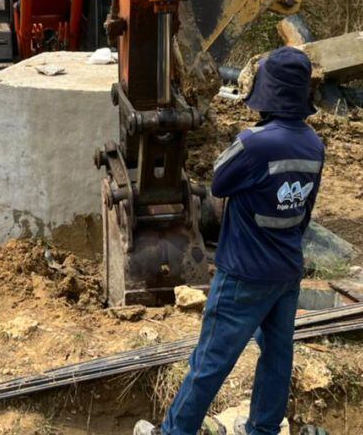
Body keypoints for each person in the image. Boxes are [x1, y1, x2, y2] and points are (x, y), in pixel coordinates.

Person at [134, 47, 325, 435]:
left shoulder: (255, 143)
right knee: (276, 355)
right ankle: (264, 429)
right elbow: (304, 213)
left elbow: (219, 184)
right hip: (286, 271)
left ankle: (175, 431)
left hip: (243, 273)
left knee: (210, 361)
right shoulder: (313, 146)